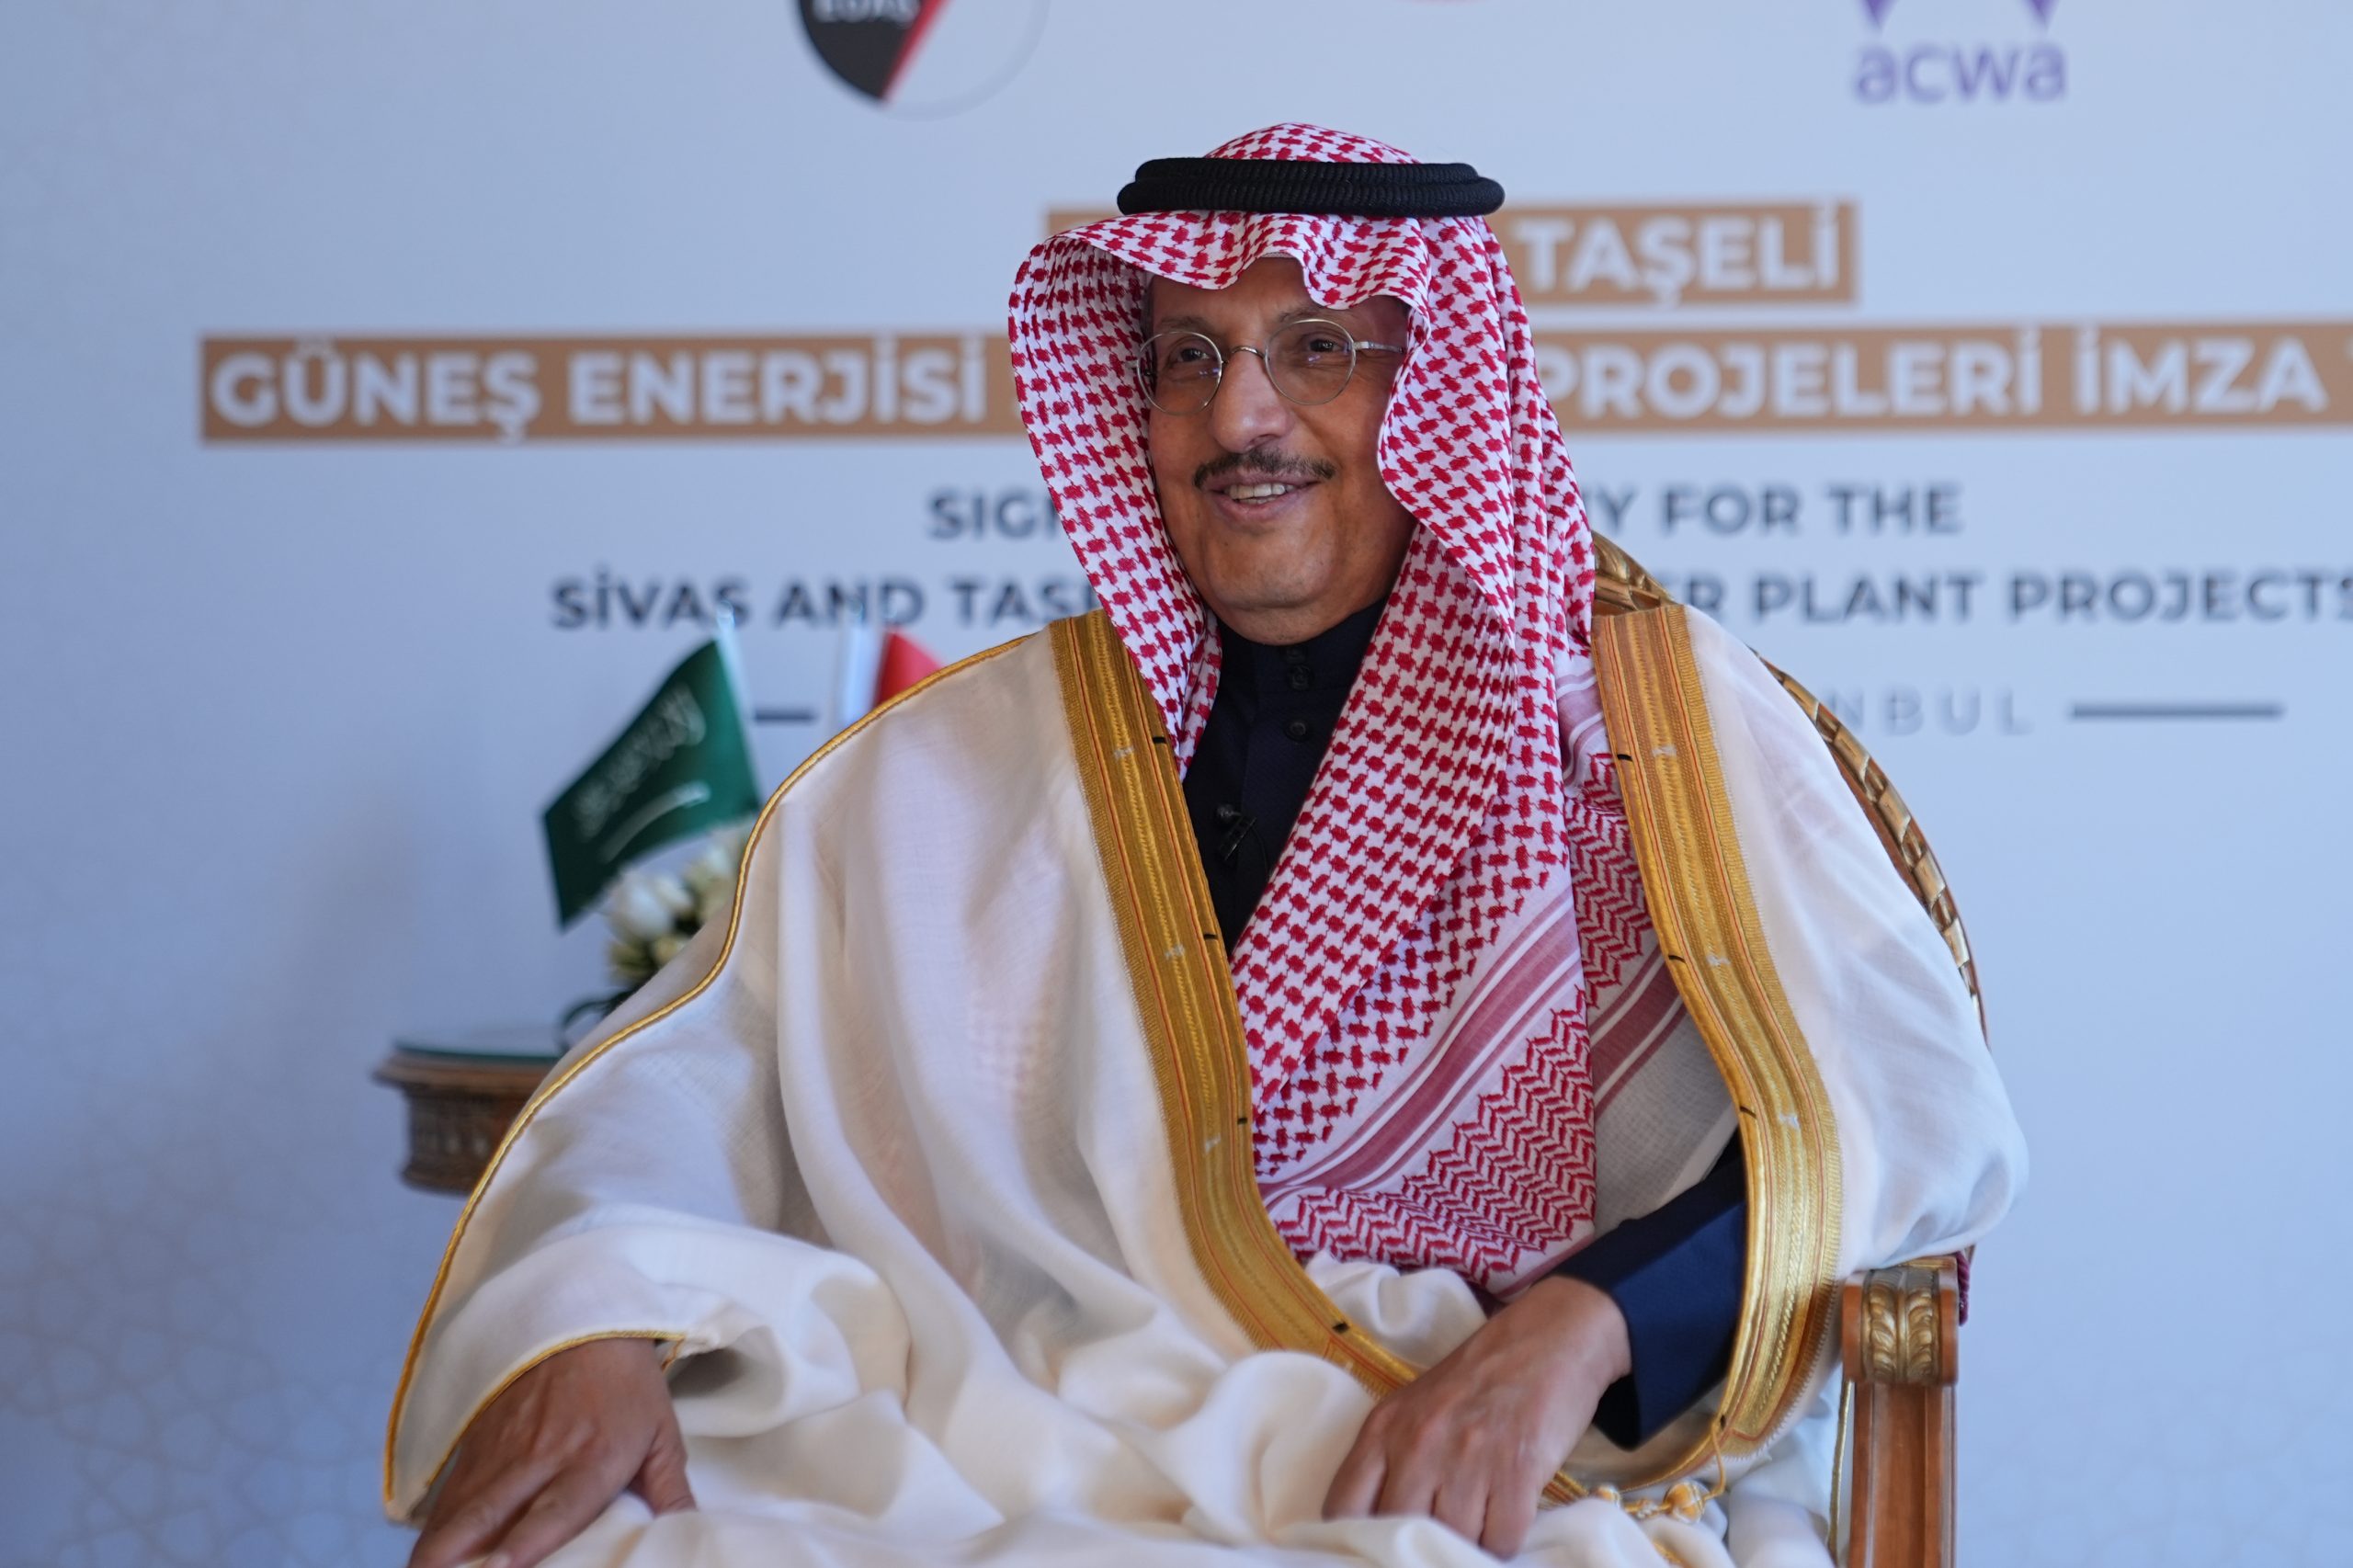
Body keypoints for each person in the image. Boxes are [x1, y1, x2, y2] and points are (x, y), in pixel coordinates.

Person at [392, 125, 2023, 1568]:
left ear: (1441, 389)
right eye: (1189, 356)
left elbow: (1902, 1112)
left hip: (1444, 1430)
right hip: (993, 1416)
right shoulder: (976, 762)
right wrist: (599, 1323)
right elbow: (700, 1068)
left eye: (1316, 349)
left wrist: (1581, 1324)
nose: (1239, 414)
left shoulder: (1652, 719)